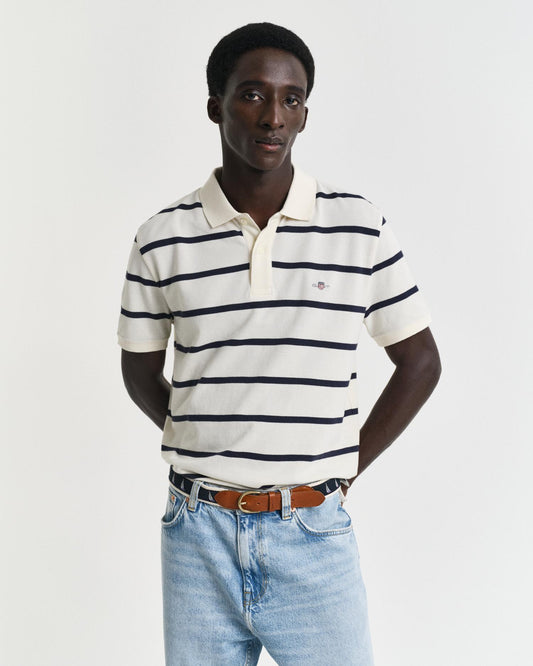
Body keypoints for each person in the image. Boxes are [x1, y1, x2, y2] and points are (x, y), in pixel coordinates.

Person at [118, 22, 441, 666]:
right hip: (197, 534)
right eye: (252, 95)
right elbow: (138, 371)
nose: (273, 117)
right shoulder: (162, 238)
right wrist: (206, 432)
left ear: (305, 114)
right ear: (215, 106)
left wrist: (345, 465)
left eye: (292, 99)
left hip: (313, 532)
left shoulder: (357, 226)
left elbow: (420, 362)